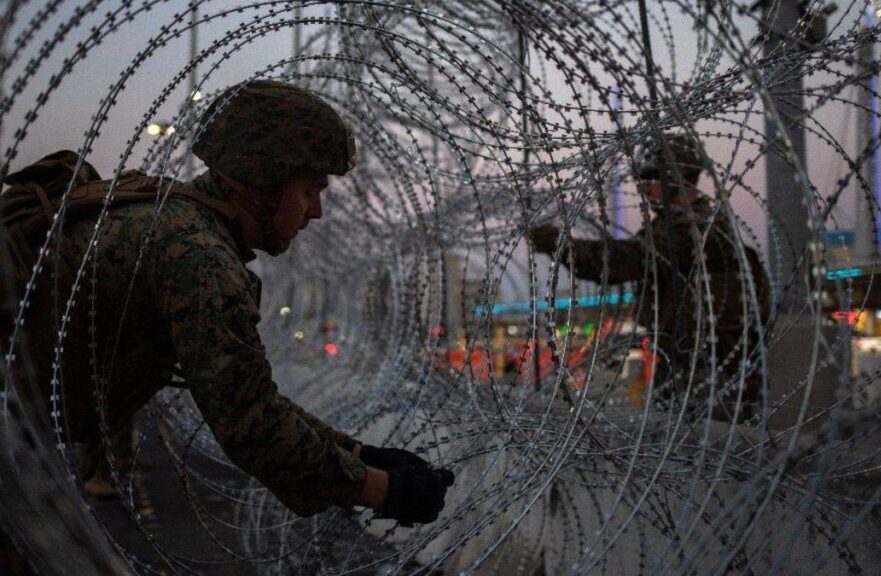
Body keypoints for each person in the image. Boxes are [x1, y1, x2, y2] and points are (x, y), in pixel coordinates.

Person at [5, 80, 453, 526]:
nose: (315, 212)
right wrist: (387, 491)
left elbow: (249, 396)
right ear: (260, 182)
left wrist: (360, 454)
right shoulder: (198, 257)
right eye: (309, 192)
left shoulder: (169, 215)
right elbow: (251, 424)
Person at [527, 133, 769, 420]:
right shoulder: (679, 226)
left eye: (651, 181)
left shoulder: (693, 230)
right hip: (687, 363)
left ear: (676, 179)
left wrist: (563, 246)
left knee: (703, 447)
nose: (645, 191)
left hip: (710, 369)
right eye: (641, 183)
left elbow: (628, 260)